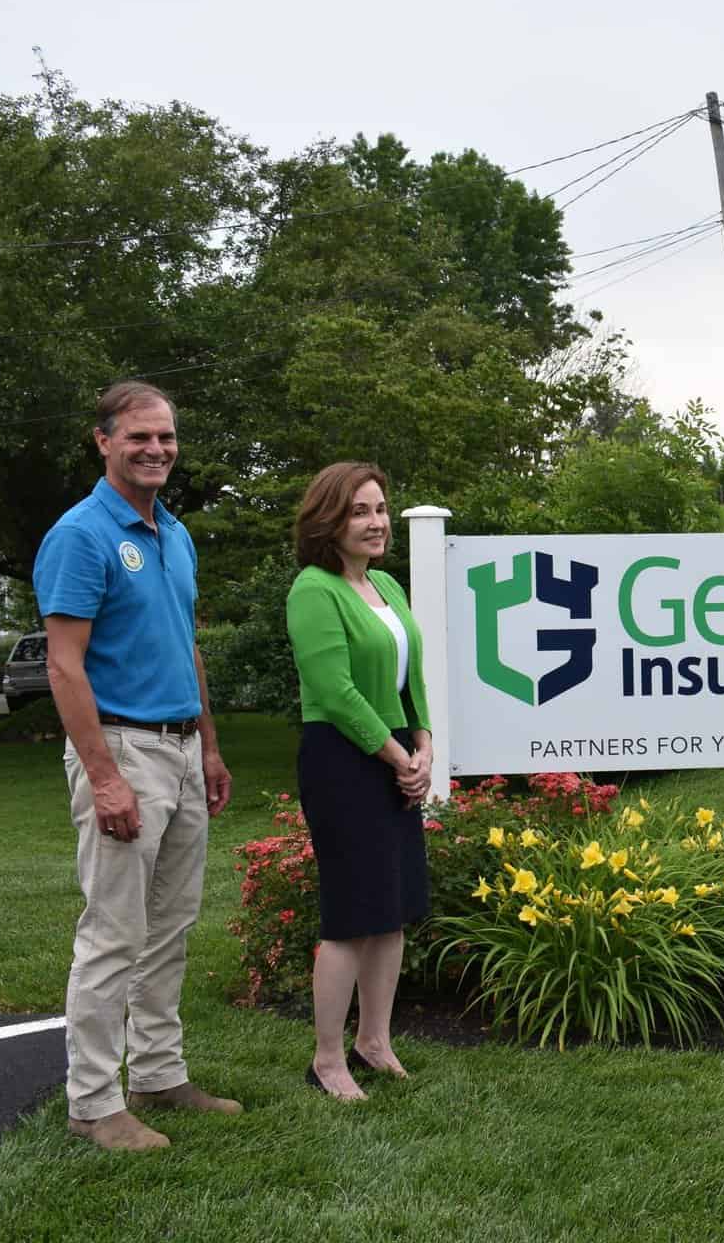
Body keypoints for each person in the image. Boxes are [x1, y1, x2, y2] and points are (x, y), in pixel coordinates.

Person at [35, 380, 238, 1152]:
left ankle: (158, 1073)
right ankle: (93, 1102)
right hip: (122, 750)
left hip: (183, 749)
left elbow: (186, 645)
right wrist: (106, 778)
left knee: (170, 929)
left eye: (166, 438)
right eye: (138, 437)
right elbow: (63, 665)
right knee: (115, 932)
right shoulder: (81, 535)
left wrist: (211, 746)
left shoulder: (174, 533)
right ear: (104, 441)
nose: (155, 449)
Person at [286, 462, 433, 1100]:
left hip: (395, 750)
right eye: (359, 512)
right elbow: (335, 692)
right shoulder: (313, 590)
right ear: (329, 521)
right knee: (350, 915)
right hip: (343, 759)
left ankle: (374, 1041)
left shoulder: (388, 587)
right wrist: (398, 759)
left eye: (380, 509)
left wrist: (422, 742)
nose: (375, 522)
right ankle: (326, 1060)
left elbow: (412, 676)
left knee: (391, 908)